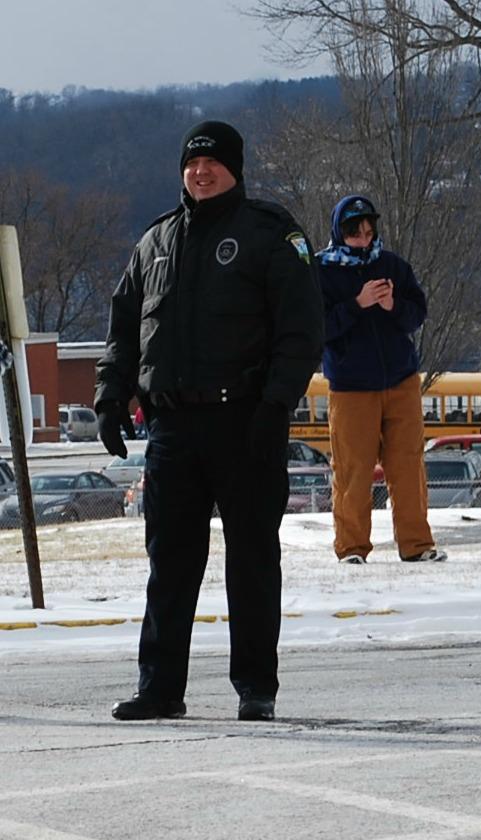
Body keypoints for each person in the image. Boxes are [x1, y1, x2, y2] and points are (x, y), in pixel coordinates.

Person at [95, 120, 324, 722]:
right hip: (172, 430)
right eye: (193, 164)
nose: (201, 172)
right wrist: (109, 399)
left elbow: (300, 331)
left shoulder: (271, 234)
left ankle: (256, 687)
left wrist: (276, 407)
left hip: (245, 422)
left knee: (251, 561)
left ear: (235, 170)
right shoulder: (156, 241)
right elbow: (124, 330)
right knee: (169, 565)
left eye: (213, 164)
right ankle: (160, 687)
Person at [317, 194, 446, 565]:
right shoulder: (321, 272)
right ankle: (352, 548)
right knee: (353, 470)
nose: (363, 239)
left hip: (401, 380)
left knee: (408, 466)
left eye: (369, 232)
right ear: (340, 233)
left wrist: (393, 307)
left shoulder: (393, 266)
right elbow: (318, 328)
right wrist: (357, 304)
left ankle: (417, 544)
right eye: (355, 232)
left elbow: (417, 314)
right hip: (351, 386)